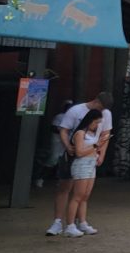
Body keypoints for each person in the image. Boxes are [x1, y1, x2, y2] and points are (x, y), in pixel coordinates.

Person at [47, 92, 113, 237]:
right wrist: (67, 146)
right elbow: (63, 130)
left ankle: (80, 221)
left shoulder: (106, 114)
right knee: (65, 187)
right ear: (96, 101)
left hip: (90, 156)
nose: (102, 112)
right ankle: (58, 222)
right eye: (100, 108)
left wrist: (101, 154)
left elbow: (106, 134)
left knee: (83, 193)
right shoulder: (76, 111)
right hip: (74, 154)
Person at [63, 109, 109, 237]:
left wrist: (99, 146)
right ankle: (70, 225)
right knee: (77, 196)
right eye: (96, 122)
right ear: (90, 121)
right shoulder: (80, 133)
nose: (97, 125)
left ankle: (82, 222)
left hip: (91, 164)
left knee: (85, 196)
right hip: (81, 164)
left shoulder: (91, 134)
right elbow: (79, 152)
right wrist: (95, 146)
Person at [36, 100, 74, 188]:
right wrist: (63, 131)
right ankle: (40, 178)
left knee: (64, 161)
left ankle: (60, 180)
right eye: (67, 106)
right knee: (53, 159)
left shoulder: (73, 117)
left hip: (67, 142)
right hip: (57, 141)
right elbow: (53, 128)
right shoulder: (59, 116)